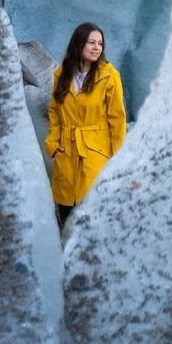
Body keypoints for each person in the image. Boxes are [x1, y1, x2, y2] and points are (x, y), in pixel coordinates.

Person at [45, 22, 127, 228]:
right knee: (64, 214)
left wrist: (117, 161)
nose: (96, 47)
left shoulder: (109, 76)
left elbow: (117, 121)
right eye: (91, 42)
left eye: (100, 43)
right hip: (66, 153)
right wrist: (53, 144)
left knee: (89, 219)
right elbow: (54, 112)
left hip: (95, 155)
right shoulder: (61, 74)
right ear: (78, 44)